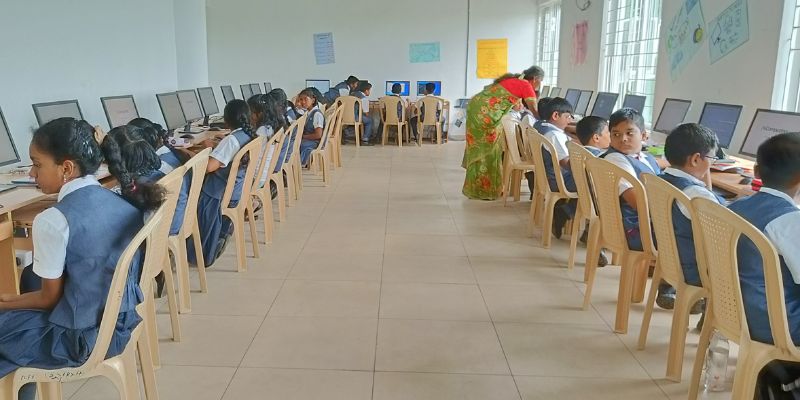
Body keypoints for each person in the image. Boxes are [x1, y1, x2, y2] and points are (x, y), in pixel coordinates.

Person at [0, 117, 164, 400]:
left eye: (37, 164)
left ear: (66, 168)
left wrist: (6, 302)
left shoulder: (53, 220)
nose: (31, 173)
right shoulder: (122, 200)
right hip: (119, 325)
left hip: (79, 340)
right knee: (28, 283)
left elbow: (48, 300)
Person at [728, 132, 800, 346]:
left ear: (756, 171)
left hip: (734, 311)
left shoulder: (735, 207)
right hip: (778, 325)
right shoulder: (789, 221)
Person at [659, 123, 725, 314]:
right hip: (695, 269)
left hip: (672, 260)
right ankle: (715, 317)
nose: (712, 163)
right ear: (696, 159)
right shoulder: (696, 194)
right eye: (712, 158)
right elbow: (723, 232)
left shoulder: (661, 180)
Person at [191, 99, 258, 267]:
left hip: (220, 194)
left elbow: (208, 167)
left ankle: (198, 247)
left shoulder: (232, 140)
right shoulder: (249, 135)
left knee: (187, 188)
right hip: (238, 190)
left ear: (226, 121)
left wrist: (189, 152)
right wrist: (217, 146)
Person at [462, 66, 544, 200]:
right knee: (490, 150)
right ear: (535, 79)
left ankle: (477, 188)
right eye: (540, 81)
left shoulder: (516, 81)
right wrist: (548, 121)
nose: (539, 85)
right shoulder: (526, 85)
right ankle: (485, 190)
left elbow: (511, 103)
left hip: (477, 109)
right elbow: (535, 111)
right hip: (485, 114)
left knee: (481, 148)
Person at [600, 108, 662, 251]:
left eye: (629, 133)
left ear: (644, 135)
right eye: (616, 134)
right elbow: (638, 203)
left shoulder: (647, 158)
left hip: (649, 222)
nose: (623, 139)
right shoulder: (615, 159)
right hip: (635, 227)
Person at [296, 88, 325, 166]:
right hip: (310, 139)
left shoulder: (317, 114)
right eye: (301, 100)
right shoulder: (309, 112)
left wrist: (303, 136)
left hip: (315, 142)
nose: (303, 102)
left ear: (313, 100)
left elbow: (318, 135)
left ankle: (299, 164)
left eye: (305, 99)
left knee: (296, 144)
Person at [350, 80, 374, 145]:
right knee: (370, 120)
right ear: (366, 90)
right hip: (356, 117)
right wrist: (370, 115)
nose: (370, 92)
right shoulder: (363, 98)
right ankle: (365, 139)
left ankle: (348, 135)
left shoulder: (352, 94)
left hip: (345, 117)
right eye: (369, 90)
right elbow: (366, 113)